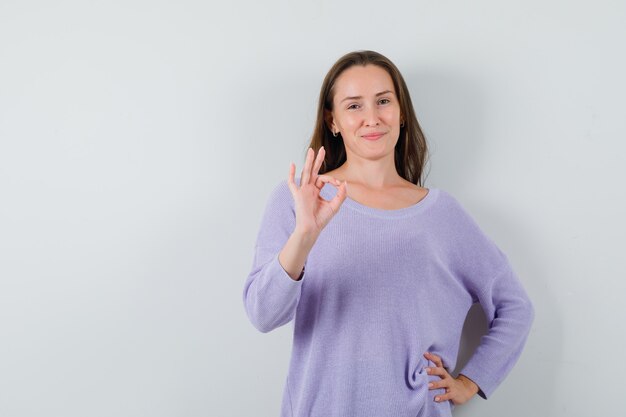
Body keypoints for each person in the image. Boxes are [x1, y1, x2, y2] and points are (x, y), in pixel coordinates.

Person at [242, 50, 534, 417]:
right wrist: (304, 234)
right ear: (332, 121)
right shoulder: (300, 197)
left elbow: (515, 307)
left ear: (401, 113)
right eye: (354, 106)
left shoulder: (442, 214)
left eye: (383, 101)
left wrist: (469, 382)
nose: (372, 118)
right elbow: (262, 315)